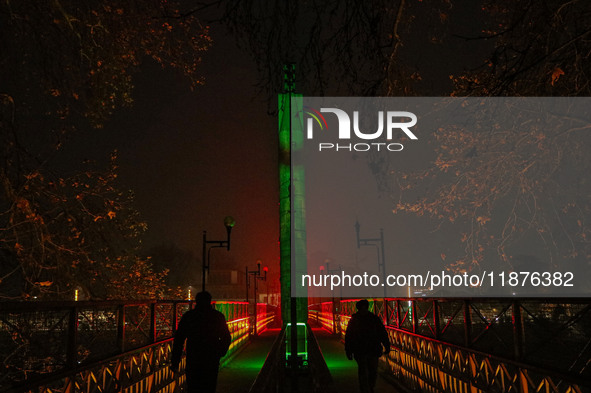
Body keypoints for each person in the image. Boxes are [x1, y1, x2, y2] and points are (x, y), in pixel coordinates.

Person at [171, 291, 232, 393]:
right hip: (211, 358)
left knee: (193, 386)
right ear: (210, 301)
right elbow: (226, 337)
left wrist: (175, 361)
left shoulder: (189, 316)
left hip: (194, 358)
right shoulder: (217, 316)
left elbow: (179, 339)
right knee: (209, 386)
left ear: (196, 301)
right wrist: (220, 352)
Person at [344, 299, 390, 393]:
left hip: (360, 350)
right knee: (372, 370)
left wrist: (348, 351)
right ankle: (370, 387)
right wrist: (386, 345)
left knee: (363, 371)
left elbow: (349, 336)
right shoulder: (374, 319)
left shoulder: (354, 320)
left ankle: (365, 389)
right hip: (372, 349)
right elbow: (382, 333)